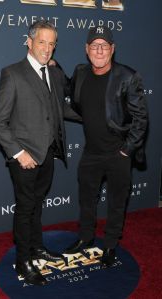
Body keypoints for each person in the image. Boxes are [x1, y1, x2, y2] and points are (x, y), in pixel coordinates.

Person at [0, 20, 79, 286]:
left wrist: (94, 116)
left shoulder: (53, 73)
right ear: (29, 42)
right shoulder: (13, 73)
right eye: (42, 41)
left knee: (37, 206)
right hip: (25, 159)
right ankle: (23, 260)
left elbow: (59, 109)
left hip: (47, 154)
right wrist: (19, 153)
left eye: (52, 43)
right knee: (26, 208)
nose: (47, 48)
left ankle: (37, 247)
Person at [64, 26, 148, 266]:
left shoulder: (128, 77)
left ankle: (110, 245)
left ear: (113, 49)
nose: (99, 50)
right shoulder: (80, 73)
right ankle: (86, 238)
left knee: (116, 202)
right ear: (86, 50)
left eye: (104, 45)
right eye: (94, 45)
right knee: (86, 200)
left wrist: (126, 150)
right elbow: (74, 98)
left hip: (118, 153)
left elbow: (141, 118)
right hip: (91, 152)